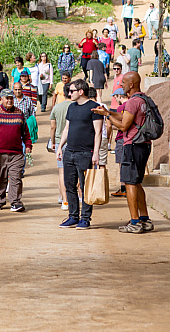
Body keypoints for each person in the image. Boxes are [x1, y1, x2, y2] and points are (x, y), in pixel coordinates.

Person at [102, 72, 154, 234]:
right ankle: (145, 220)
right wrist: (108, 112)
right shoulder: (144, 99)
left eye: (123, 82)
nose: (121, 85)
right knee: (137, 182)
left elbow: (124, 126)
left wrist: (108, 118)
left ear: (131, 85)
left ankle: (134, 222)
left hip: (132, 145)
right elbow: (127, 116)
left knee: (130, 182)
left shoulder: (132, 102)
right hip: (144, 144)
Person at [57, 79, 103, 229]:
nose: (69, 93)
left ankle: (85, 218)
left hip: (85, 153)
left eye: (72, 91)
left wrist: (95, 153)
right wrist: (60, 147)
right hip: (69, 152)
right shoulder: (71, 107)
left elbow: (98, 132)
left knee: (85, 187)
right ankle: (73, 216)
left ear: (81, 91)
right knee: (69, 185)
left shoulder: (94, 108)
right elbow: (67, 128)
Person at [0, 88, 30, 212]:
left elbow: (25, 132)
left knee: (16, 178)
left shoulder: (19, 113)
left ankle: (15, 202)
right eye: (7, 98)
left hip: (16, 153)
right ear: (2, 99)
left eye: (11, 98)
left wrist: (28, 145)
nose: (9, 100)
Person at [49, 83, 73, 210]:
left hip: (60, 142)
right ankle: (77, 197)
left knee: (62, 172)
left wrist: (53, 142)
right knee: (75, 171)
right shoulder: (76, 106)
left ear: (63, 93)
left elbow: (53, 127)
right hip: (74, 142)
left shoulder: (57, 107)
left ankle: (64, 200)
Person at [109, 88, 129, 198]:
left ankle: (123, 188)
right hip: (129, 139)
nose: (115, 99)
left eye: (115, 97)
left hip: (121, 138)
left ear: (119, 96)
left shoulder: (121, 107)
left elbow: (120, 124)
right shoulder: (131, 106)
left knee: (121, 163)